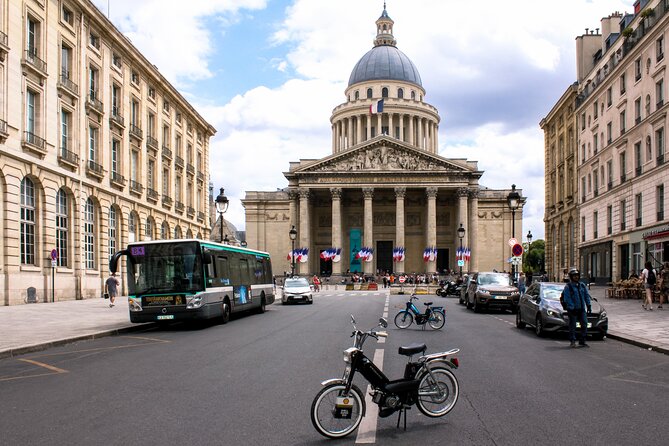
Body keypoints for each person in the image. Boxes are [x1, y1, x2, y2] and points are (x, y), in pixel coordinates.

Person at [562, 268, 591, 348]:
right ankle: (573, 340)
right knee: (573, 326)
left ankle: (582, 340)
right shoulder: (568, 287)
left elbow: (586, 296)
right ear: (571, 277)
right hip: (573, 310)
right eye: (574, 276)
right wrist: (572, 307)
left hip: (581, 309)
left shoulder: (582, 285)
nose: (576, 277)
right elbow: (567, 298)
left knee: (584, 324)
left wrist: (588, 305)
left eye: (577, 276)